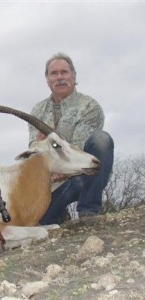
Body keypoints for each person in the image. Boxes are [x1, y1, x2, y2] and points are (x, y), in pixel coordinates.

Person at [28, 52, 114, 225]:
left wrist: (51, 141)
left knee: (101, 140)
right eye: (54, 73)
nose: (60, 77)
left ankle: (88, 212)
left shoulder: (89, 106)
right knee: (36, 220)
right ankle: (59, 217)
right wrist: (42, 145)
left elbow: (77, 151)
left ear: (73, 76)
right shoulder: (38, 110)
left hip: (81, 177)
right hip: (50, 185)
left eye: (64, 72)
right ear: (48, 80)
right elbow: (33, 150)